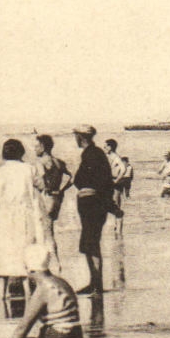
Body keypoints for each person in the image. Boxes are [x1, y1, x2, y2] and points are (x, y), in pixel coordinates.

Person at [0, 138, 50, 317]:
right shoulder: (29, 168)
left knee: (6, 251)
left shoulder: (1, 171)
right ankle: (29, 288)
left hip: (6, 215)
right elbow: (42, 186)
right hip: (26, 213)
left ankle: (5, 291)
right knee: (26, 250)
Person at [71, 125, 115, 294]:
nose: (75, 139)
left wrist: (108, 204)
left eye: (76, 136)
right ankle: (95, 282)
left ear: (80, 137)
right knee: (90, 242)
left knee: (91, 242)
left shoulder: (91, 154)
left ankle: (96, 283)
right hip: (95, 203)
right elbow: (106, 181)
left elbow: (81, 180)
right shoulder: (95, 153)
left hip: (92, 204)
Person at [32, 134, 68, 262]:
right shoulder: (59, 162)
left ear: (43, 147)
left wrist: (37, 185)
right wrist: (62, 189)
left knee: (45, 233)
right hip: (56, 198)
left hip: (45, 198)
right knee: (49, 231)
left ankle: (54, 262)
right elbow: (72, 177)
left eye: (36, 146)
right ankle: (54, 261)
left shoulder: (40, 162)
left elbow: (41, 181)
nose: (34, 149)